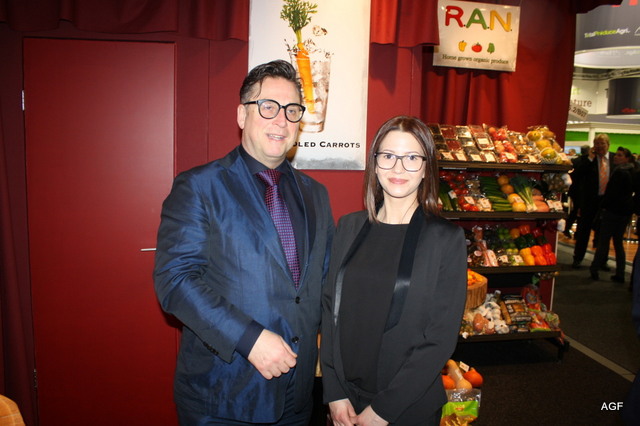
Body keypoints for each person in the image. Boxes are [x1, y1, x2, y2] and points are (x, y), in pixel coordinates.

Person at [153, 60, 335, 425]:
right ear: (241, 115)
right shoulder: (199, 186)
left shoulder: (315, 194)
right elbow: (175, 280)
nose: (281, 120)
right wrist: (249, 338)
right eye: (268, 107)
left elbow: (323, 287)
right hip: (225, 396)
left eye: (292, 110)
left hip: (298, 397)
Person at [320, 116, 467, 426]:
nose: (398, 168)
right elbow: (329, 308)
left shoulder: (446, 239)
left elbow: (440, 338)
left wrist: (384, 410)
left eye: (411, 158)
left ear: (426, 168)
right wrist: (334, 391)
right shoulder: (349, 226)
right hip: (345, 400)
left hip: (405, 406)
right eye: (388, 156)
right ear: (375, 164)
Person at [589, 147, 640, 283]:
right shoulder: (632, 172)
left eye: (620, 155)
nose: (616, 157)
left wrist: (603, 207)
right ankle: (620, 273)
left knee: (604, 241)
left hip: (613, 211)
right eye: (616, 155)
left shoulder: (620, 173)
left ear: (627, 158)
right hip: (624, 212)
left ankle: (595, 268)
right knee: (618, 242)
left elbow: (612, 194)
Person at [571, 134, 614, 269]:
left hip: (606, 202)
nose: (599, 146)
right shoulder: (587, 160)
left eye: (602, 143)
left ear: (608, 145)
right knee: (583, 231)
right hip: (589, 201)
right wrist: (590, 158)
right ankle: (578, 258)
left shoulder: (614, 159)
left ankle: (602, 261)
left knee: (603, 233)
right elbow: (578, 175)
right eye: (597, 143)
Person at [564, 144, 590, 239]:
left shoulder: (575, 161)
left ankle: (567, 228)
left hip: (575, 190)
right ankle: (577, 233)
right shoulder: (589, 162)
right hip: (583, 191)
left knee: (575, 210)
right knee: (581, 212)